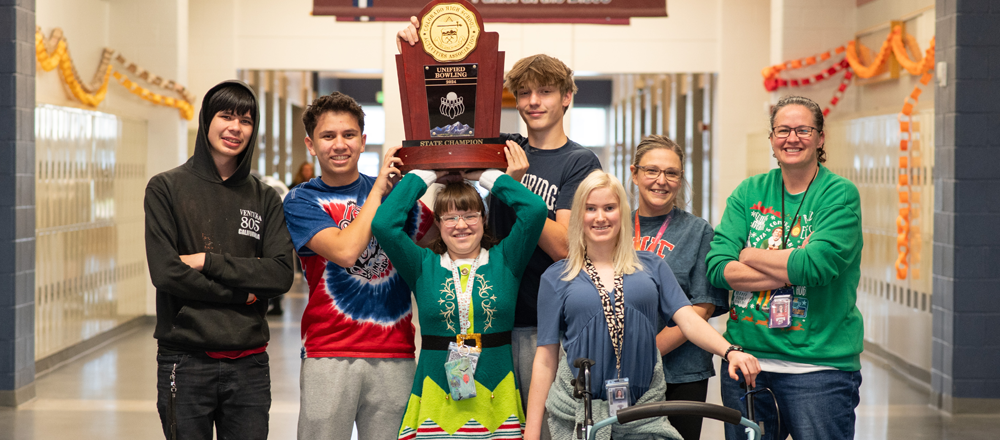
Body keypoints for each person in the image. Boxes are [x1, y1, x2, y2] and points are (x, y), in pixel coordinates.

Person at [399, 21, 603, 416]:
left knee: (543, 425)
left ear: (567, 97)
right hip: (490, 319)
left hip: (544, 322)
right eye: (524, 92)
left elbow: (564, 245)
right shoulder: (502, 149)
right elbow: (443, 108)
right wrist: (417, 49)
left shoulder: (579, 162)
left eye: (545, 91)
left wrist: (514, 187)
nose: (533, 101)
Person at [527, 170, 761, 440]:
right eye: (591, 208)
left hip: (644, 412)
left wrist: (730, 351)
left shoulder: (650, 266)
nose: (600, 217)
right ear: (580, 215)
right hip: (580, 411)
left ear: (622, 212)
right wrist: (531, 433)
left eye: (609, 208)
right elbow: (545, 360)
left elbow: (689, 320)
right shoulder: (557, 276)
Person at [706, 95, 864, 440]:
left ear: (820, 138)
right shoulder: (749, 192)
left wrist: (747, 255)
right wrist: (791, 264)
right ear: (772, 138)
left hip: (819, 369)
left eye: (803, 130)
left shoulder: (839, 194)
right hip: (746, 364)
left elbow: (817, 266)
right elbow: (718, 266)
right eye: (782, 130)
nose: (792, 139)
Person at [145, 80, 294, 440]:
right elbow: (166, 272)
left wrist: (207, 262)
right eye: (226, 116)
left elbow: (279, 274)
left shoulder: (264, 198)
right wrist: (240, 295)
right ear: (206, 120)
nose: (235, 128)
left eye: (245, 120)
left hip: (249, 364)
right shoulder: (166, 188)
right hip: (185, 359)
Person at [282, 92, 435, 440]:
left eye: (349, 135)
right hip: (328, 353)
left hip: (394, 352)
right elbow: (347, 251)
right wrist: (381, 191)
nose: (339, 145)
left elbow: (444, 242)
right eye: (328, 136)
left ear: (363, 141)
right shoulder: (301, 199)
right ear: (311, 144)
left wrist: (443, 175)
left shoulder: (395, 195)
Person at [371, 149, 547, 438]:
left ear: (484, 218)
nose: (461, 225)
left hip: (495, 398)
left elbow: (534, 211)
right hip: (437, 397)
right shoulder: (422, 266)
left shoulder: (506, 260)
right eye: (450, 218)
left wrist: (487, 176)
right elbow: (383, 225)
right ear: (437, 225)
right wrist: (425, 175)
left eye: (469, 215)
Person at [629, 135, 730, 440]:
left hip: (682, 373)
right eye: (652, 171)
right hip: (621, 372)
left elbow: (702, 308)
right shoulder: (614, 225)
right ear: (634, 174)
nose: (661, 181)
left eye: (671, 173)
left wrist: (646, 352)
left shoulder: (697, 231)